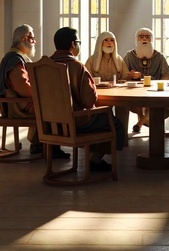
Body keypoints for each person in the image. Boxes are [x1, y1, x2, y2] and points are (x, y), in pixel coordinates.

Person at [50, 27, 125, 171]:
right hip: (76, 122)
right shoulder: (77, 67)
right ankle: (95, 160)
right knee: (114, 124)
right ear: (73, 44)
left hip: (49, 123)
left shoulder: (42, 66)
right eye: (78, 42)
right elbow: (89, 101)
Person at [0, 24, 70, 158]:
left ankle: (40, 144)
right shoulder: (15, 60)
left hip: (21, 103)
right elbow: (24, 89)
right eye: (32, 38)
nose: (34, 41)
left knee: (51, 101)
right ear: (23, 39)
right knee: (56, 105)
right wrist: (45, 92)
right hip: (19, 106)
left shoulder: (16, 57)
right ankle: (50, 147)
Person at [123, 27, 169, 132]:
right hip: (135, 91)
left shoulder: (159, 56)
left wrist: (160, 82)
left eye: (147, 37)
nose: (144, 39)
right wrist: (130, 75)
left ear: (152, 39)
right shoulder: (129, 56)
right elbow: (123, 75)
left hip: (154, 91)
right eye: (141, 37)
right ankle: (146, 121)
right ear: (136, 39)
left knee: (154, 101)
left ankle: (140, 123)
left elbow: (166, 75)